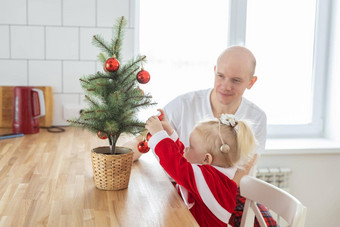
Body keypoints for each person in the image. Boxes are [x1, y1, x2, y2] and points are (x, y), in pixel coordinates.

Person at [162, 46, 277, 226]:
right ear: (214, 71)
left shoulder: (257, 117)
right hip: (181, 188)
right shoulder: (184, 105)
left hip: (228, 191)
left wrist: (210, 195)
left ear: (251, 82)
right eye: (221, 76)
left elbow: (242, 171)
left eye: (236, 80)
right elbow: (148, 139)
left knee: (266, 223)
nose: (226, 86)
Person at [146, 111, 256, 227]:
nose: (186, 148)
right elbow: (183, 158)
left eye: (191, 146)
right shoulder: (215, 173)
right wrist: (169, 133)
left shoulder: (210, 180)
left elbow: (175, 164)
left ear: (206, 159)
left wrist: (159, 135)